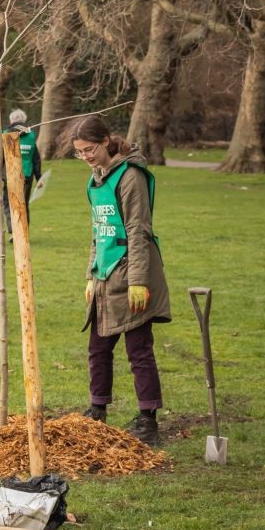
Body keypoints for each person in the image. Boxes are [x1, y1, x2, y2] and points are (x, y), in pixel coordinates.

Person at [65, 115, 171, 446]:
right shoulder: (95, 181)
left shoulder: (131, 177)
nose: (85, 157)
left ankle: (147, 420)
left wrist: (138, 281)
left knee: (138, 350)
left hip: (132, 274)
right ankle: (97, 411)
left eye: (89, 149)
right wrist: (90, 273)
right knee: (98, 348)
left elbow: (138, 232)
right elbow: (99, 233)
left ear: (106, 141)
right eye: (79, 152)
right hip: (105, 277)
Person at [3, 109, 42, 238]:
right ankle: (22, 233)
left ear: (11, 120)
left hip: (10, 175)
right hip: (27, 175)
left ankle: (14, 230)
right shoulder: (31, 136)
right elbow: (35, 158)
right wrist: (39, 177)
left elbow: (1, 158)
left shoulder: (5, 134)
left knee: (8, 203)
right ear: (24, 121)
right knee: (23, 204)